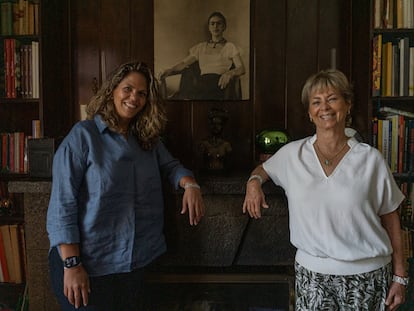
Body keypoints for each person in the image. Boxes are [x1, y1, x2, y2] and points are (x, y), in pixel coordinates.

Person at [243, 69, 408, 310]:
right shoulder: (292, 155)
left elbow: (391, 217)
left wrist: (400, 277)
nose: (325, 108)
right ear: (310, 113)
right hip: (313, 279)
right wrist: (253, 183)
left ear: (347, 105)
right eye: (316, 102)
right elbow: (262, 169)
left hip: (368, 278)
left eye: (332, 99)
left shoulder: (371, 160)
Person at [46, 61, 205, 310]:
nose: (134, 98)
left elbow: (172, 167)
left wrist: (191, 185)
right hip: (87, 265)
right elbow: (62, 205)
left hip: (136, 264)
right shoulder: (83, 136)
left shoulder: (147, 140)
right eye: (128, 89)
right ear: (112, 90)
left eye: (142, 93)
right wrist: (72, 264)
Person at [159, 11, 245, 100]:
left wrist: (229, 73)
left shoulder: (230, 46)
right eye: (212, 24)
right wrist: (170, 70)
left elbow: (241, 68)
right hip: (202, 82)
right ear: (209, 27)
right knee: (187, 76)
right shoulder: (201, 47)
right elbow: (183, 63)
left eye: (219, 23)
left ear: (224, 27)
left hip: (219, 83)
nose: (215, 26)